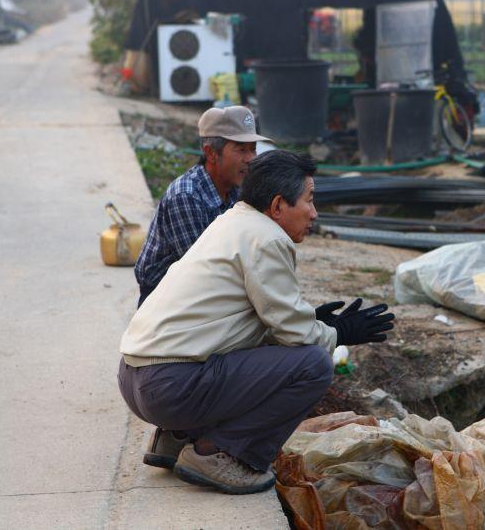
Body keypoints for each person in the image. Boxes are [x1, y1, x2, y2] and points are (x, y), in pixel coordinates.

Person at [118, 150, 395, 494]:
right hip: (170, 388)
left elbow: (258, 320)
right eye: (309, 200)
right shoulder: (268, 238)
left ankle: (175, 439)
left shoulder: (232, 222)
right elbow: (295, 333)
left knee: (276, 354)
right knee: (314, 364)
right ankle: (219, 453)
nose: (314, 213)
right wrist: (339, 332)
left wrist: (312, 320)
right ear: (278, 206)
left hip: (135, 379)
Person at [134, 105, 270, 306]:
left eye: (253, 150)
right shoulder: (186, 195)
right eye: (241, 149)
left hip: (207, 289)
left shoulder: (237, 189)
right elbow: (203, 271)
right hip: (165, 299)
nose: (251, 159)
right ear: (211, 153)